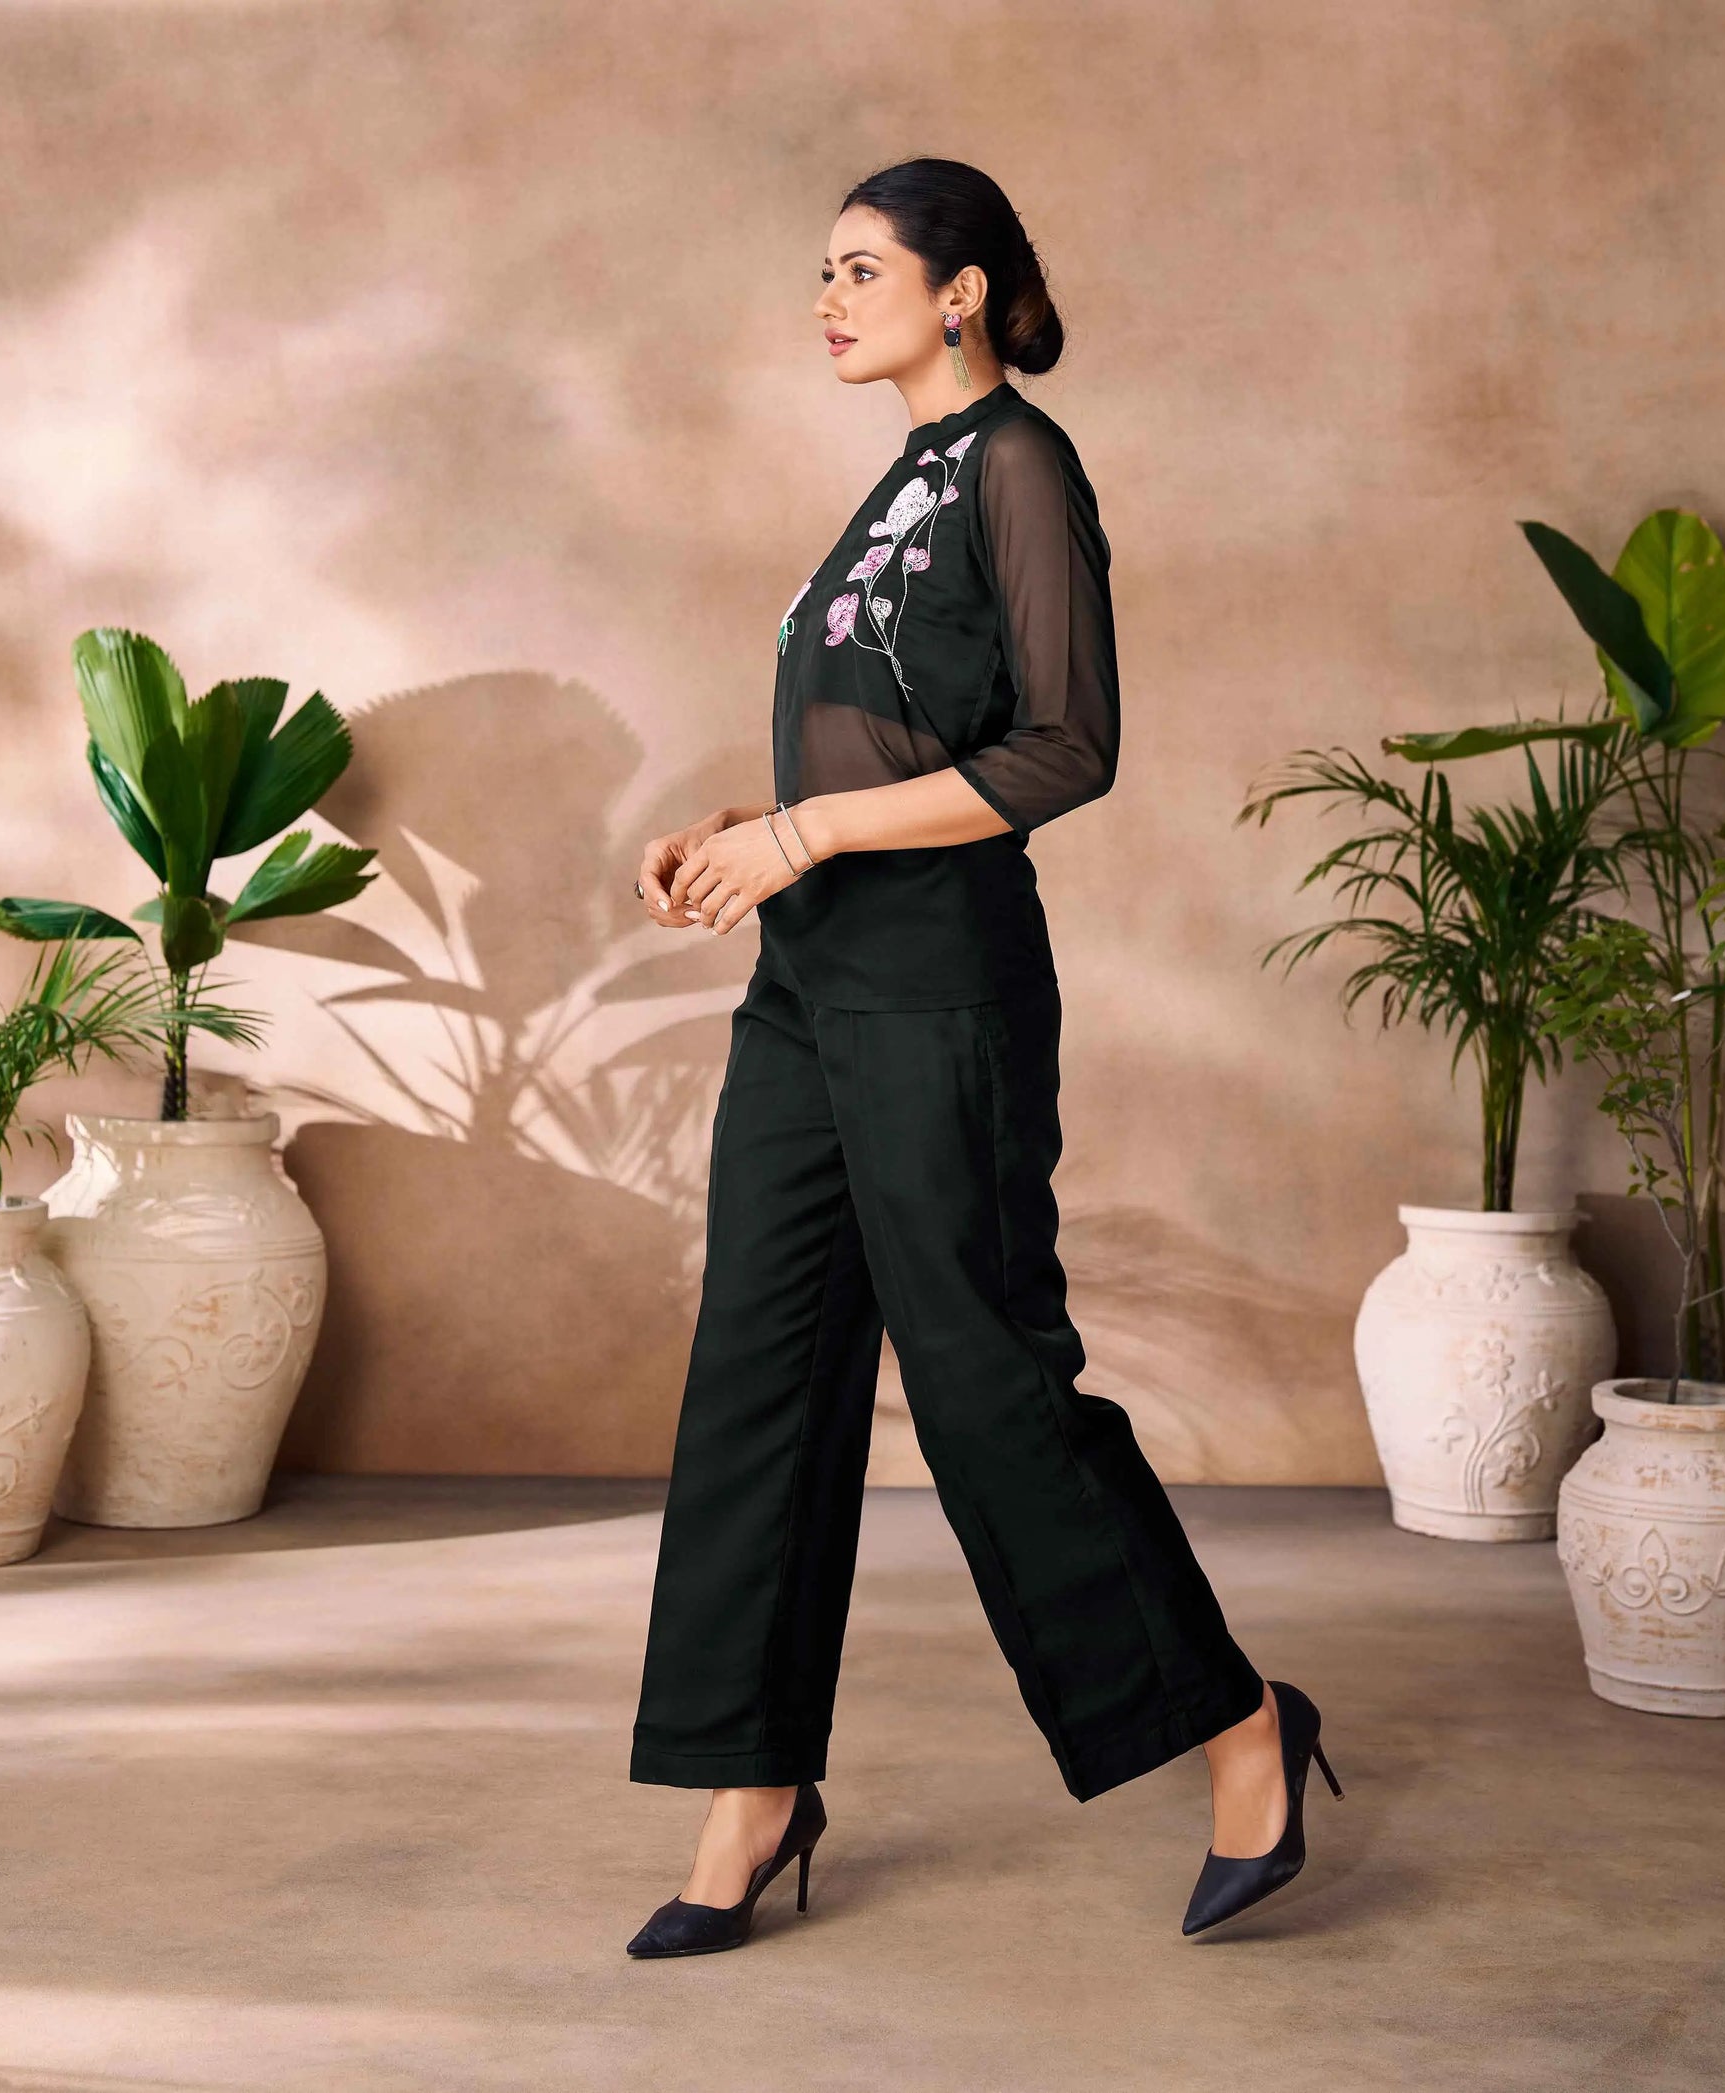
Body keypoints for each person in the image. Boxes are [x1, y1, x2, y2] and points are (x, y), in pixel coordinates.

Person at [622, 157, 1342, 1957]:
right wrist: (747, 829)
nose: (825, 300)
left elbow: (1063, 747)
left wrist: (809, 834)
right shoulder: (897, 478)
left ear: (961, 291)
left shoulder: (1019, 462)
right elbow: (880, 739)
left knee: (982, 1378)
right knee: (759, 1368)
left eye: (860, 270)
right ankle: (751, 1786)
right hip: (807, 978)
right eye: (820, 270)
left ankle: (1236, 1721)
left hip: (939, 981)